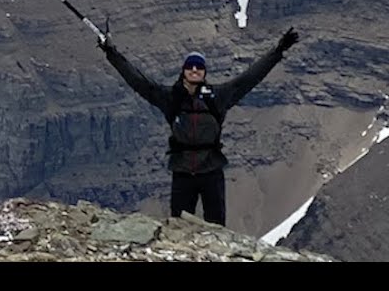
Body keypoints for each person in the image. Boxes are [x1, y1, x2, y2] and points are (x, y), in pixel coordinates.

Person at [97, 27, 300, 226]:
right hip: (182, 170)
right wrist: (111, 53)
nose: (195, 70)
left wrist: (278, 51)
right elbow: (138, 82)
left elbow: (249, 79)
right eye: (191, 67)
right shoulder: (171, 98)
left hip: (211, 169)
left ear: (204, 72)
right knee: (178, 227)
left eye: (199, 67)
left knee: (217, 227)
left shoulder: (218, 96)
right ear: (184, 71)